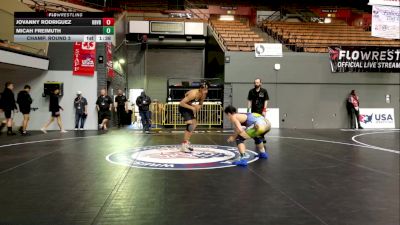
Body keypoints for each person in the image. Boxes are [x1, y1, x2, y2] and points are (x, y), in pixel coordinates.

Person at [179, 81, 209, 153]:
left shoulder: (203, 95)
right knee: (190, 124)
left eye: (207, 89)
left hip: (189, 106)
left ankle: (186, 142)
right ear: (200, 89)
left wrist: (198, 107)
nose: (205, 91)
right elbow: (181, 103)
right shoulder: (193, 94)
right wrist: (192, 107)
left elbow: (200, 104)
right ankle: (184, 145)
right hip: (183, 107)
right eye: (204, 89)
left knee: (194, 124)